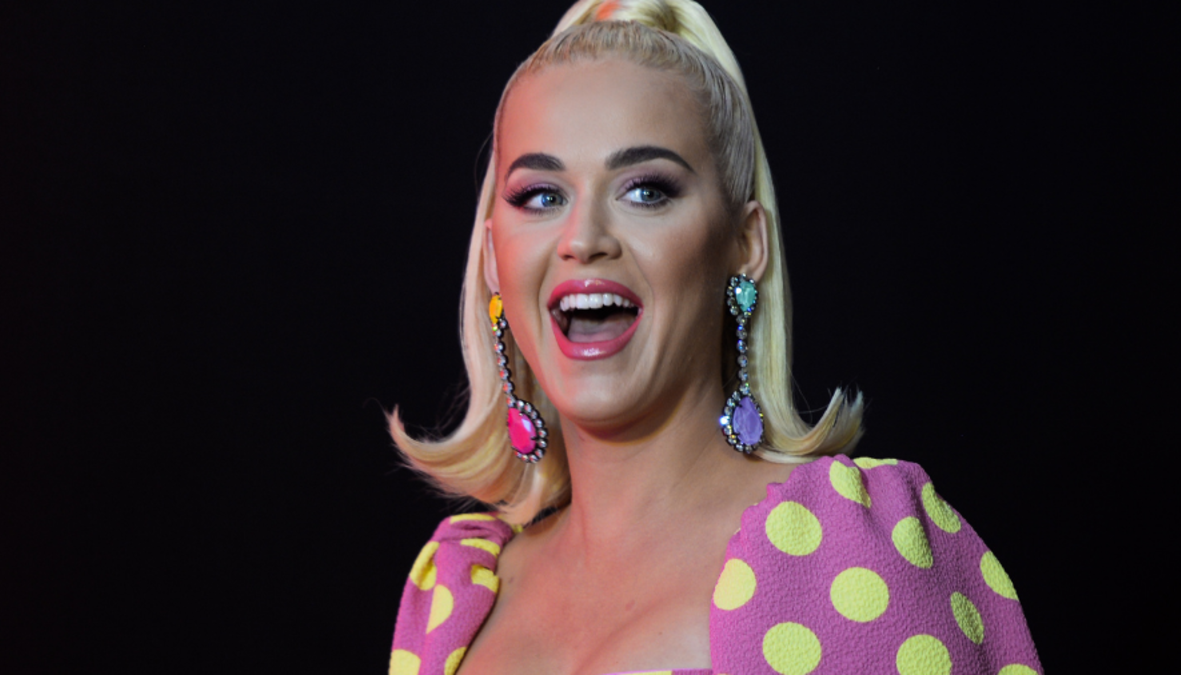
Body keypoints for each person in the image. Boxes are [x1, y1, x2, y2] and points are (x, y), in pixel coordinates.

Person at [386, 1, 1041, 673]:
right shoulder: (450, 594)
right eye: (541, 196)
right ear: (494, 260)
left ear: (745, 244)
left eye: (646, 191)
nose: (583, 239)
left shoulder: (852, 550)